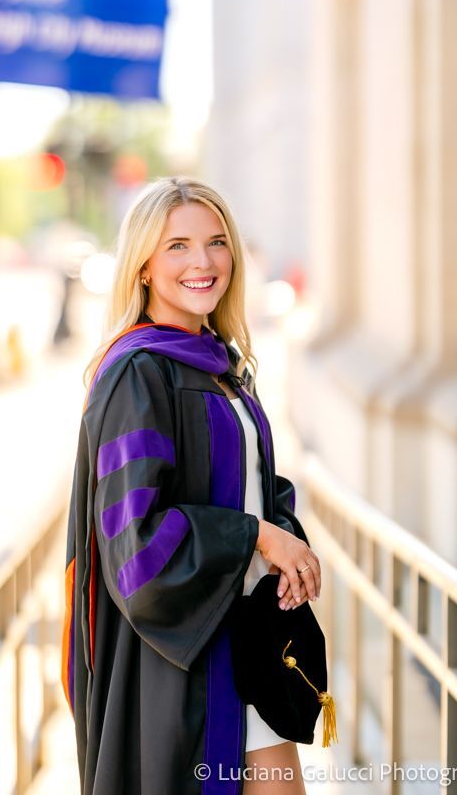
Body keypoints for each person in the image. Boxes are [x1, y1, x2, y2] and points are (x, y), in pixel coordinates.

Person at [62, 176, 322, 795]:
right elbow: (139, 544)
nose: (202, 262)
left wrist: (283, 538)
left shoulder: (223, 363)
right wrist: (254, 537)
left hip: (245, 645)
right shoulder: (137, 374)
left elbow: (254, 483)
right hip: (182, 664)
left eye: (216, 242)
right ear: (145, 266)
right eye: (177, 246)